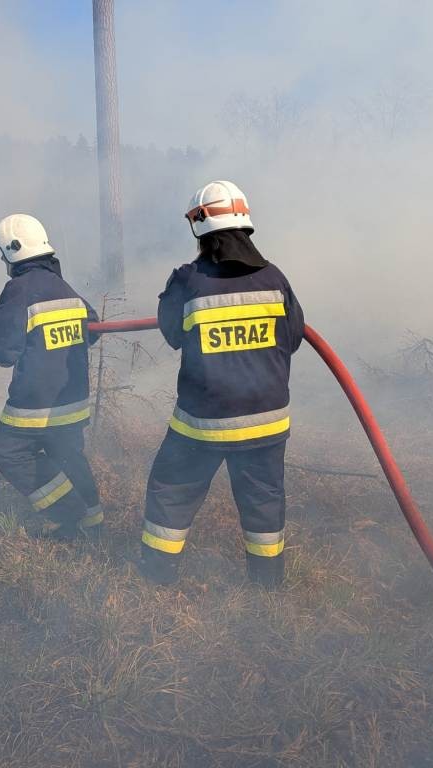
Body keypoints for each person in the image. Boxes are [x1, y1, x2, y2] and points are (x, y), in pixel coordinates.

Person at [138, 181, 305, 587]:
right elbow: (294, 337)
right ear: (244, 222)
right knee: (264, 503)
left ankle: (157, 577)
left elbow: (172, 334)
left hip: (204, 424)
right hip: (266, 422)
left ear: (199, 227)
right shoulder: (275, 279)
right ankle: (267, 585)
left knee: (172, 489)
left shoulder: (189, 282)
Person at [0, 213, 103, 540]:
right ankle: (93, 523)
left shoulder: (18, 290)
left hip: (35, 406)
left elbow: (3, 353)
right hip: (72, 402)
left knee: (6, 451)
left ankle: (69, 511)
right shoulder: (63, 287)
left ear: (13, 250)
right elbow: (93, 328)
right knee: (68, 456)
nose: (2, 262)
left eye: (2, 255)